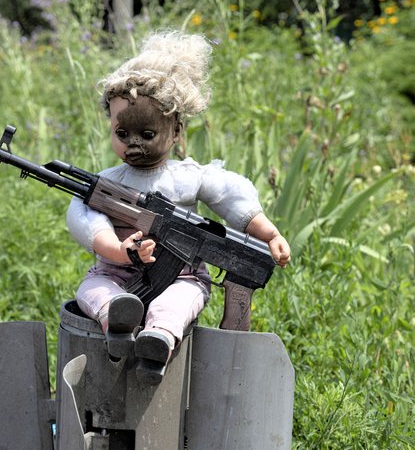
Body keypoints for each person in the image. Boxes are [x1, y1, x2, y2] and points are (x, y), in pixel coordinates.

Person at [66, 31, 291, 385]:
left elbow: (231, 194)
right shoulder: (107, 181)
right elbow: (84, 212)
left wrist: (269, 233)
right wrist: (118, 250)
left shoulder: (189, 177)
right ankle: (117, 320)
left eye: (148, 134)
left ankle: (160, 340)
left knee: (177, 302)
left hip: (182, 276)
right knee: (90, 290)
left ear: (176, 132)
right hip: (115, 275)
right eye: (122, 134)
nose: (133, 144)